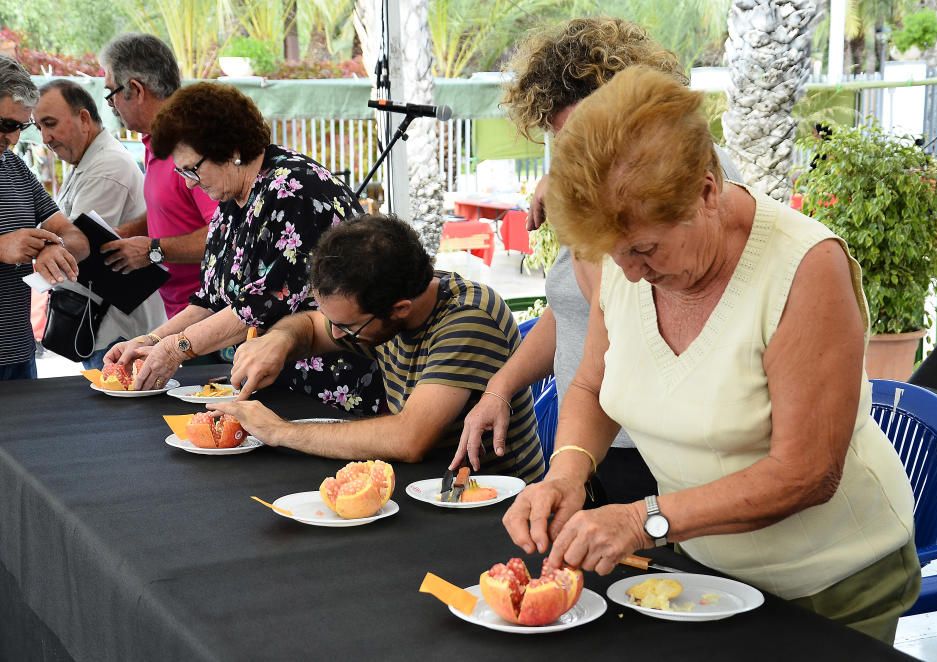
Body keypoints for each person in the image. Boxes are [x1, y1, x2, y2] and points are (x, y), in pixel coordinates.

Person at [503, 66, 919, 643]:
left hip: (831, 586)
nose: (629, 273)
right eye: (614, 255)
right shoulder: (624, 256)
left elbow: (805, 474)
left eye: (646, 249)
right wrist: (566, 472)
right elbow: (592, 387)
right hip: (705, 570)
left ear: (705, 191)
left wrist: (641, 520)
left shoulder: (804, 267)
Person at [453, 17, 742, 504]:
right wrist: (500, 386)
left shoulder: (691, 172)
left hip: (656, 451)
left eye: (589, 134)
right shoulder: (593, 191)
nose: (578, 154)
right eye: (566, 142)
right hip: (590, 442)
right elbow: (574, 311)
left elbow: (648, 306)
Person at [102, 83, 382, 411]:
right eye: (182, 171)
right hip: (270, 381)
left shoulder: (290, 192)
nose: (189, 182)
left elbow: (258, 306)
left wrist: (176, 348)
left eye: (193, 168)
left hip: (329, 388)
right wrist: (151, 340)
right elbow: (210, 300)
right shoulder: (231, 196)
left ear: (232, 149)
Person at [210, 214, 545, 481]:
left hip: (494, 503)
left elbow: (409, 439)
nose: (337, 335)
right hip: (427, 484)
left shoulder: (469, 319)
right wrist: (280, 340)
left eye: (348, 327)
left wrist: (280, 431)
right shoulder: (384, 299)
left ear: (399, 309)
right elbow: (311, 325)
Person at [34, 79, 167, 369]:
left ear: (83, 118)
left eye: (51, 123)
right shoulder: (88, 161)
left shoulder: (106, 168)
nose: (45, 137)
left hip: (117, 335)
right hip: (103, 329)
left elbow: (76, 246)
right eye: (38, 127)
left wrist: (31, 246)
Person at [97, 33, 217, 318]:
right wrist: (127, 232)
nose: (112, 106)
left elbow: (226, 234)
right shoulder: (156, 139)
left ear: (136, 90)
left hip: (211, 318)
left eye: (111, 93)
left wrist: (153, 250)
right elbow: (174, 211)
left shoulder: (191, 142)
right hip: (181, 312)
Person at [0, 56, 90, 380]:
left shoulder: (15, 169)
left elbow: (75, 235)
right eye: (6, 125)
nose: (12, 139)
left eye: (20, 128)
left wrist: (56, 247)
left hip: (19, 357)